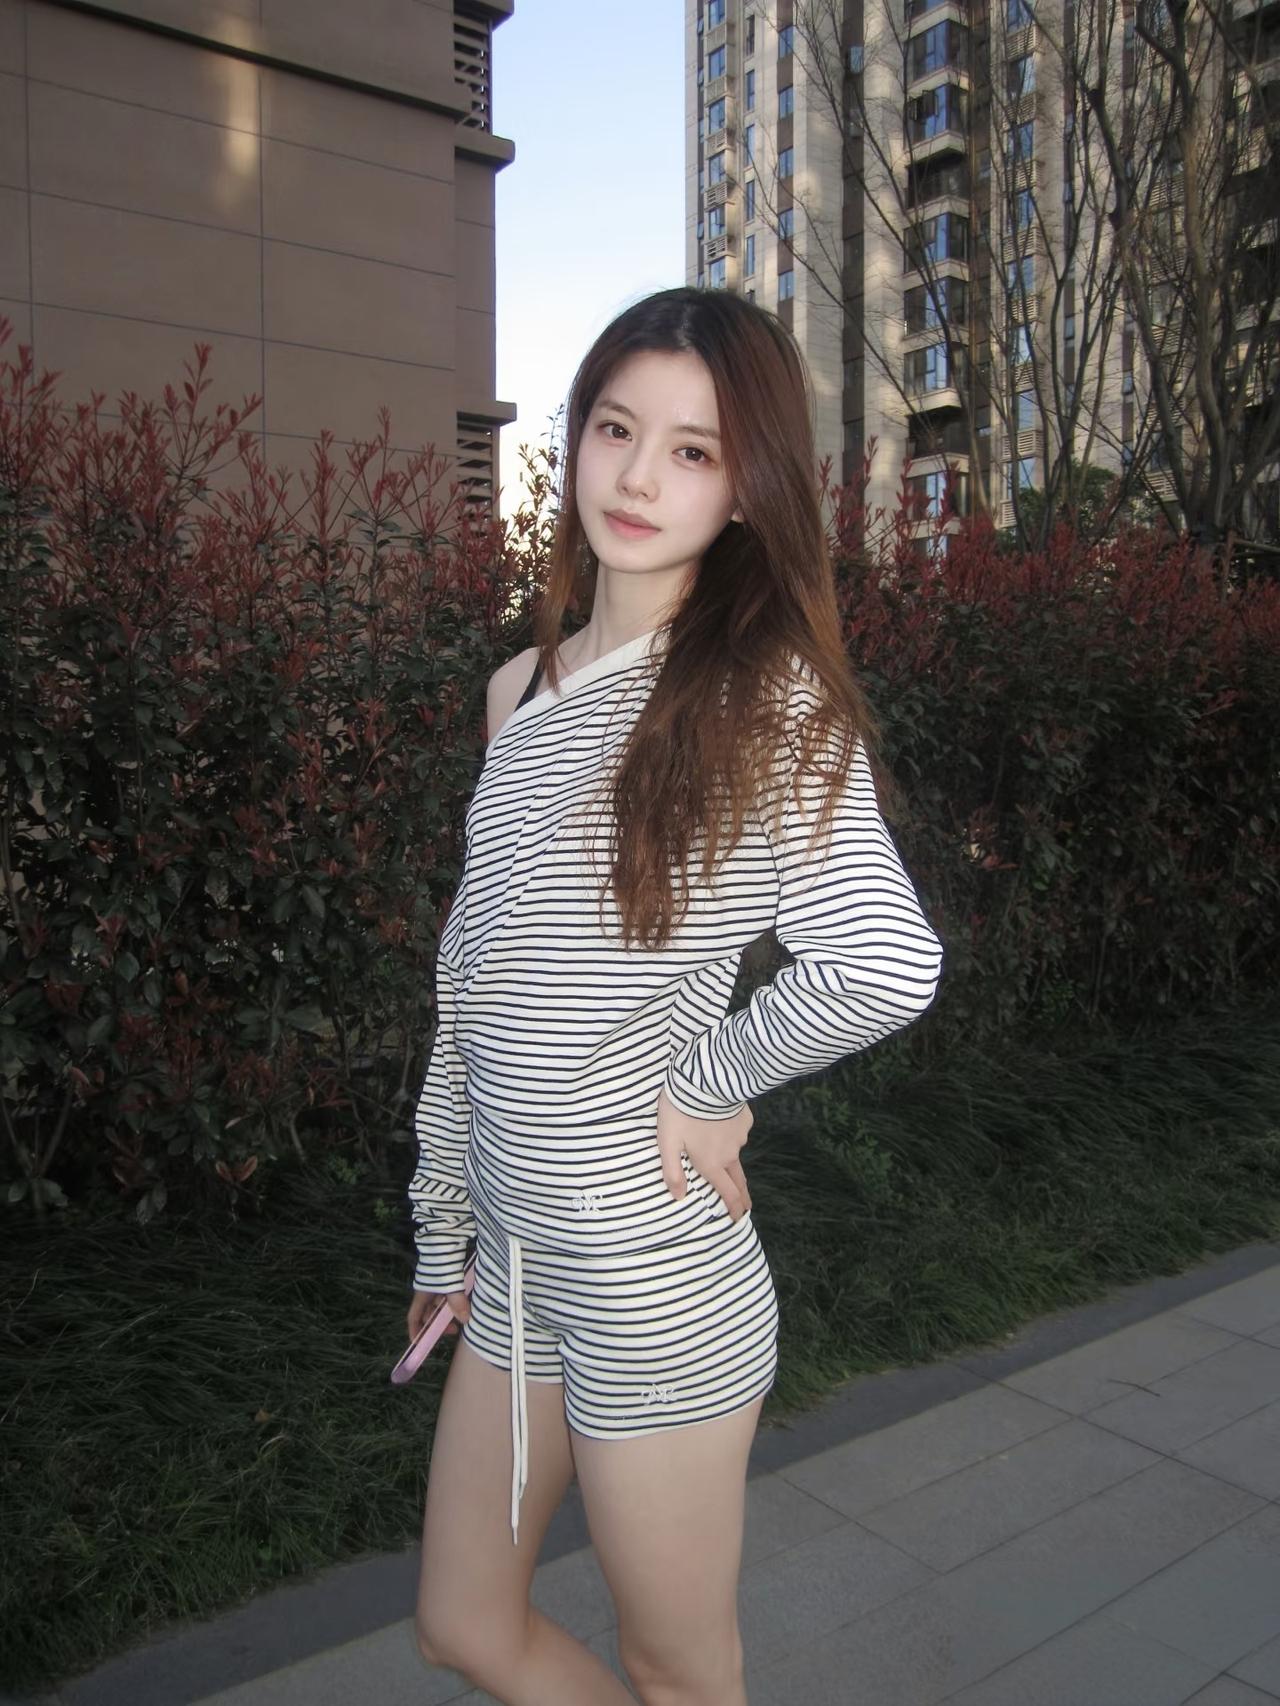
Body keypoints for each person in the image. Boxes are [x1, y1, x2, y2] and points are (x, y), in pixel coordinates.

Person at [406, 286, 945, 1706]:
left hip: (653, 1277)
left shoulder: (765, 700)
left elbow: (886, 960)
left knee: (681, 1672)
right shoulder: (517, 692)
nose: (639, 477)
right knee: (461, 1622)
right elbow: (472, 990)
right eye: (616, 428)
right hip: (515, 1267)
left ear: (747, 486)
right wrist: (442, 1228)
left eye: (694, 450)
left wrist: (710, 1082)